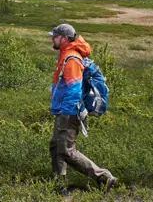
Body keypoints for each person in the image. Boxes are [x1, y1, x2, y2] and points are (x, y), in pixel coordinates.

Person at [48, 23, 117, 193]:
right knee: (56, 146)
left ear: (64, 39)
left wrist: (65, 111)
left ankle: (103, 177)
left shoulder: (71, 59)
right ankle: (59, 186)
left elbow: (74, 89)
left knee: (66, 150)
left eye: (55, 36)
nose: (52, 39)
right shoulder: (66, 55)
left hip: (69, 112)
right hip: (63, 110)